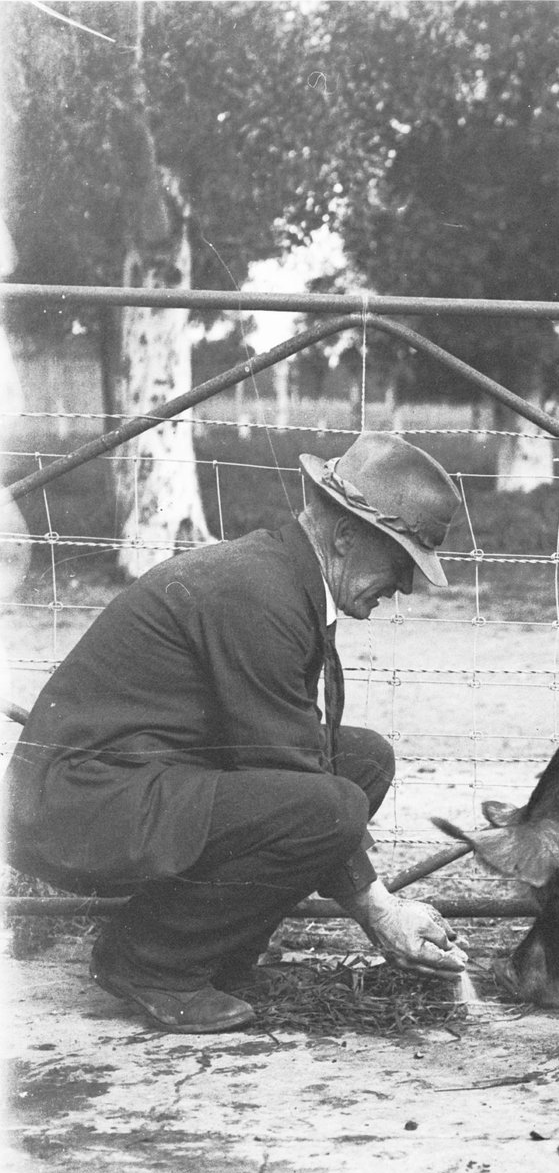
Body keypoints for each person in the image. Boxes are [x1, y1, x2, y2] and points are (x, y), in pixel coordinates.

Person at [6, 433, 471, 1032]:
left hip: (127, 786)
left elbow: (297, 758)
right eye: (401, 560)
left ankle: (215, 953)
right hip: (75, 805)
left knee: (362, 762)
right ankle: (149, 960)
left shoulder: (278, 578)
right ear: (347, 535)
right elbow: (296, 778)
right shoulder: (260, 594)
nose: (405, 585)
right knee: (329, 805)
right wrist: (383, 912)